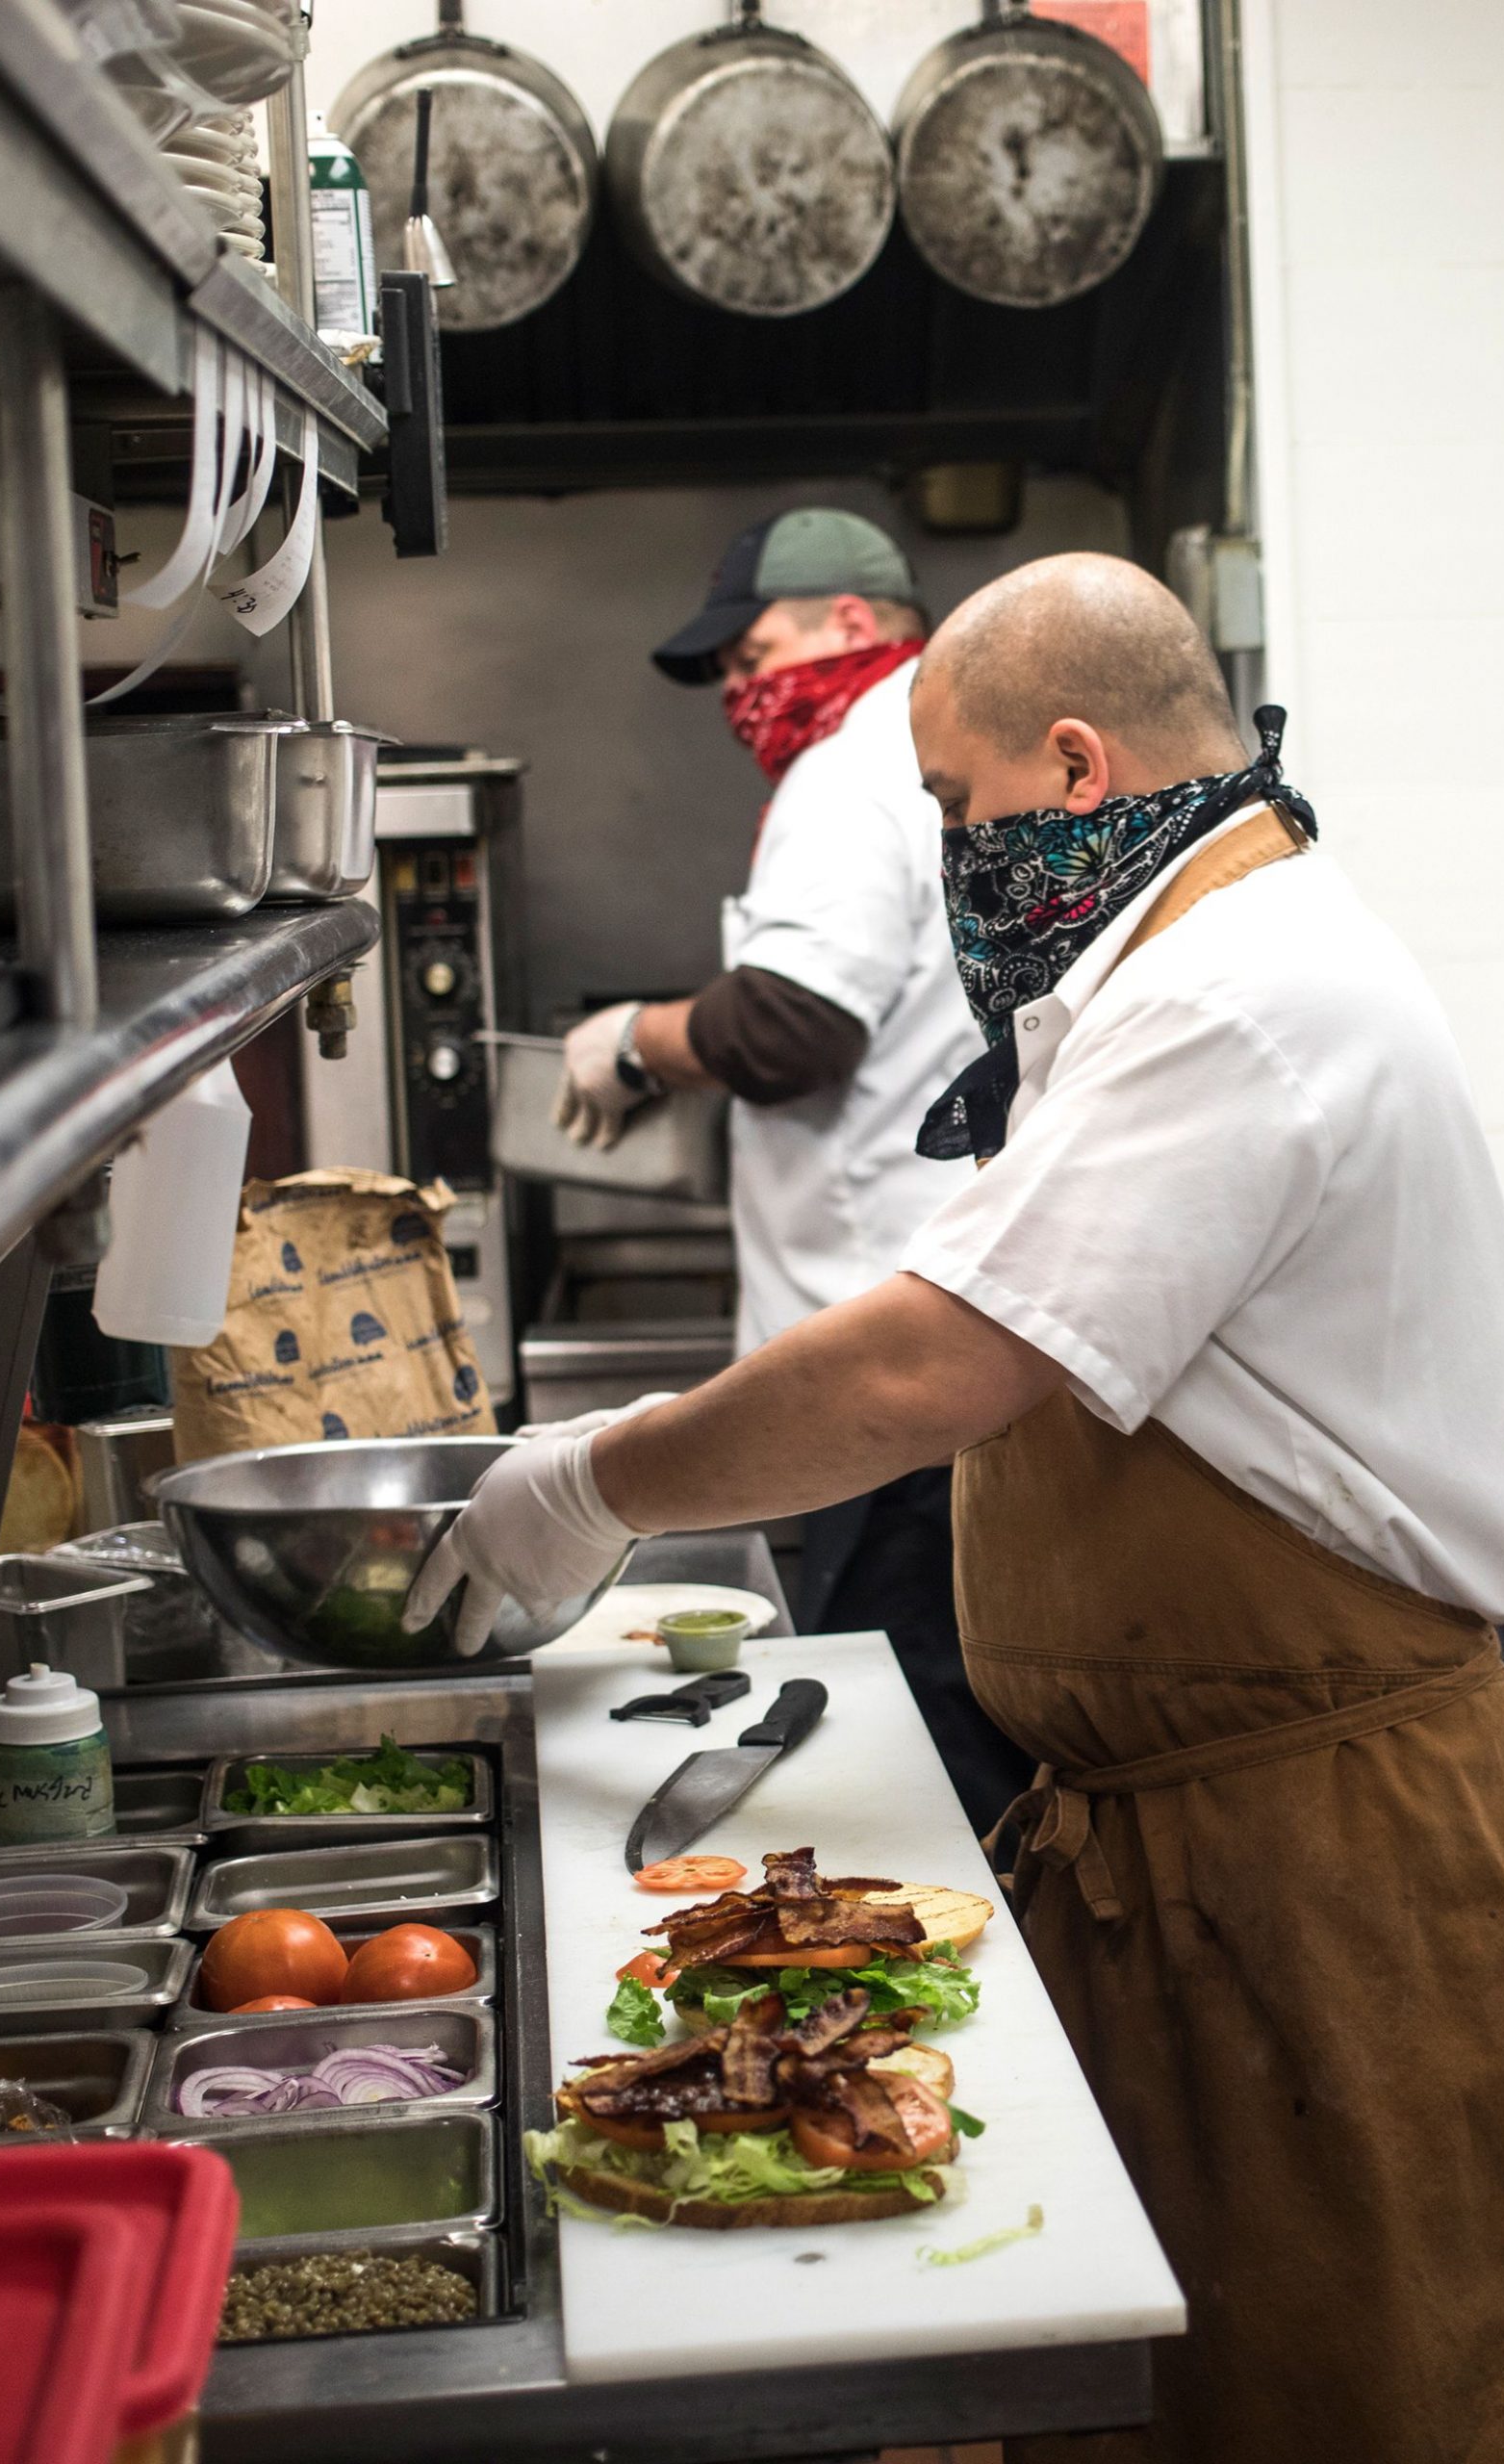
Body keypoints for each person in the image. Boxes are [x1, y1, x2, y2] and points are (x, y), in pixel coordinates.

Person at [417, 552, 1504, 2464]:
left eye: (955, 807)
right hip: (1189, 1843)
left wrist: (583, 1484)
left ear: (1075, 758)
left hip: (1321, 1849)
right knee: (1178, 2397)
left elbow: (920, 1370)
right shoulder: (1166, 975)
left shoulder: (1237, 997)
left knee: (1348, 2395)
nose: (949, 851)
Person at [551, 504, 1031, 1826]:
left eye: (748, 653)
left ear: (854, 625)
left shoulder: (854, 759)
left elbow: (793, 1024)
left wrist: (634, 1042)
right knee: (957, 1733)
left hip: (884, 1344)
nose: (737, 690)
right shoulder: (941, 753)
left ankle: (946, 2012)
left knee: (910, 1757)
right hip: (957, 1324)